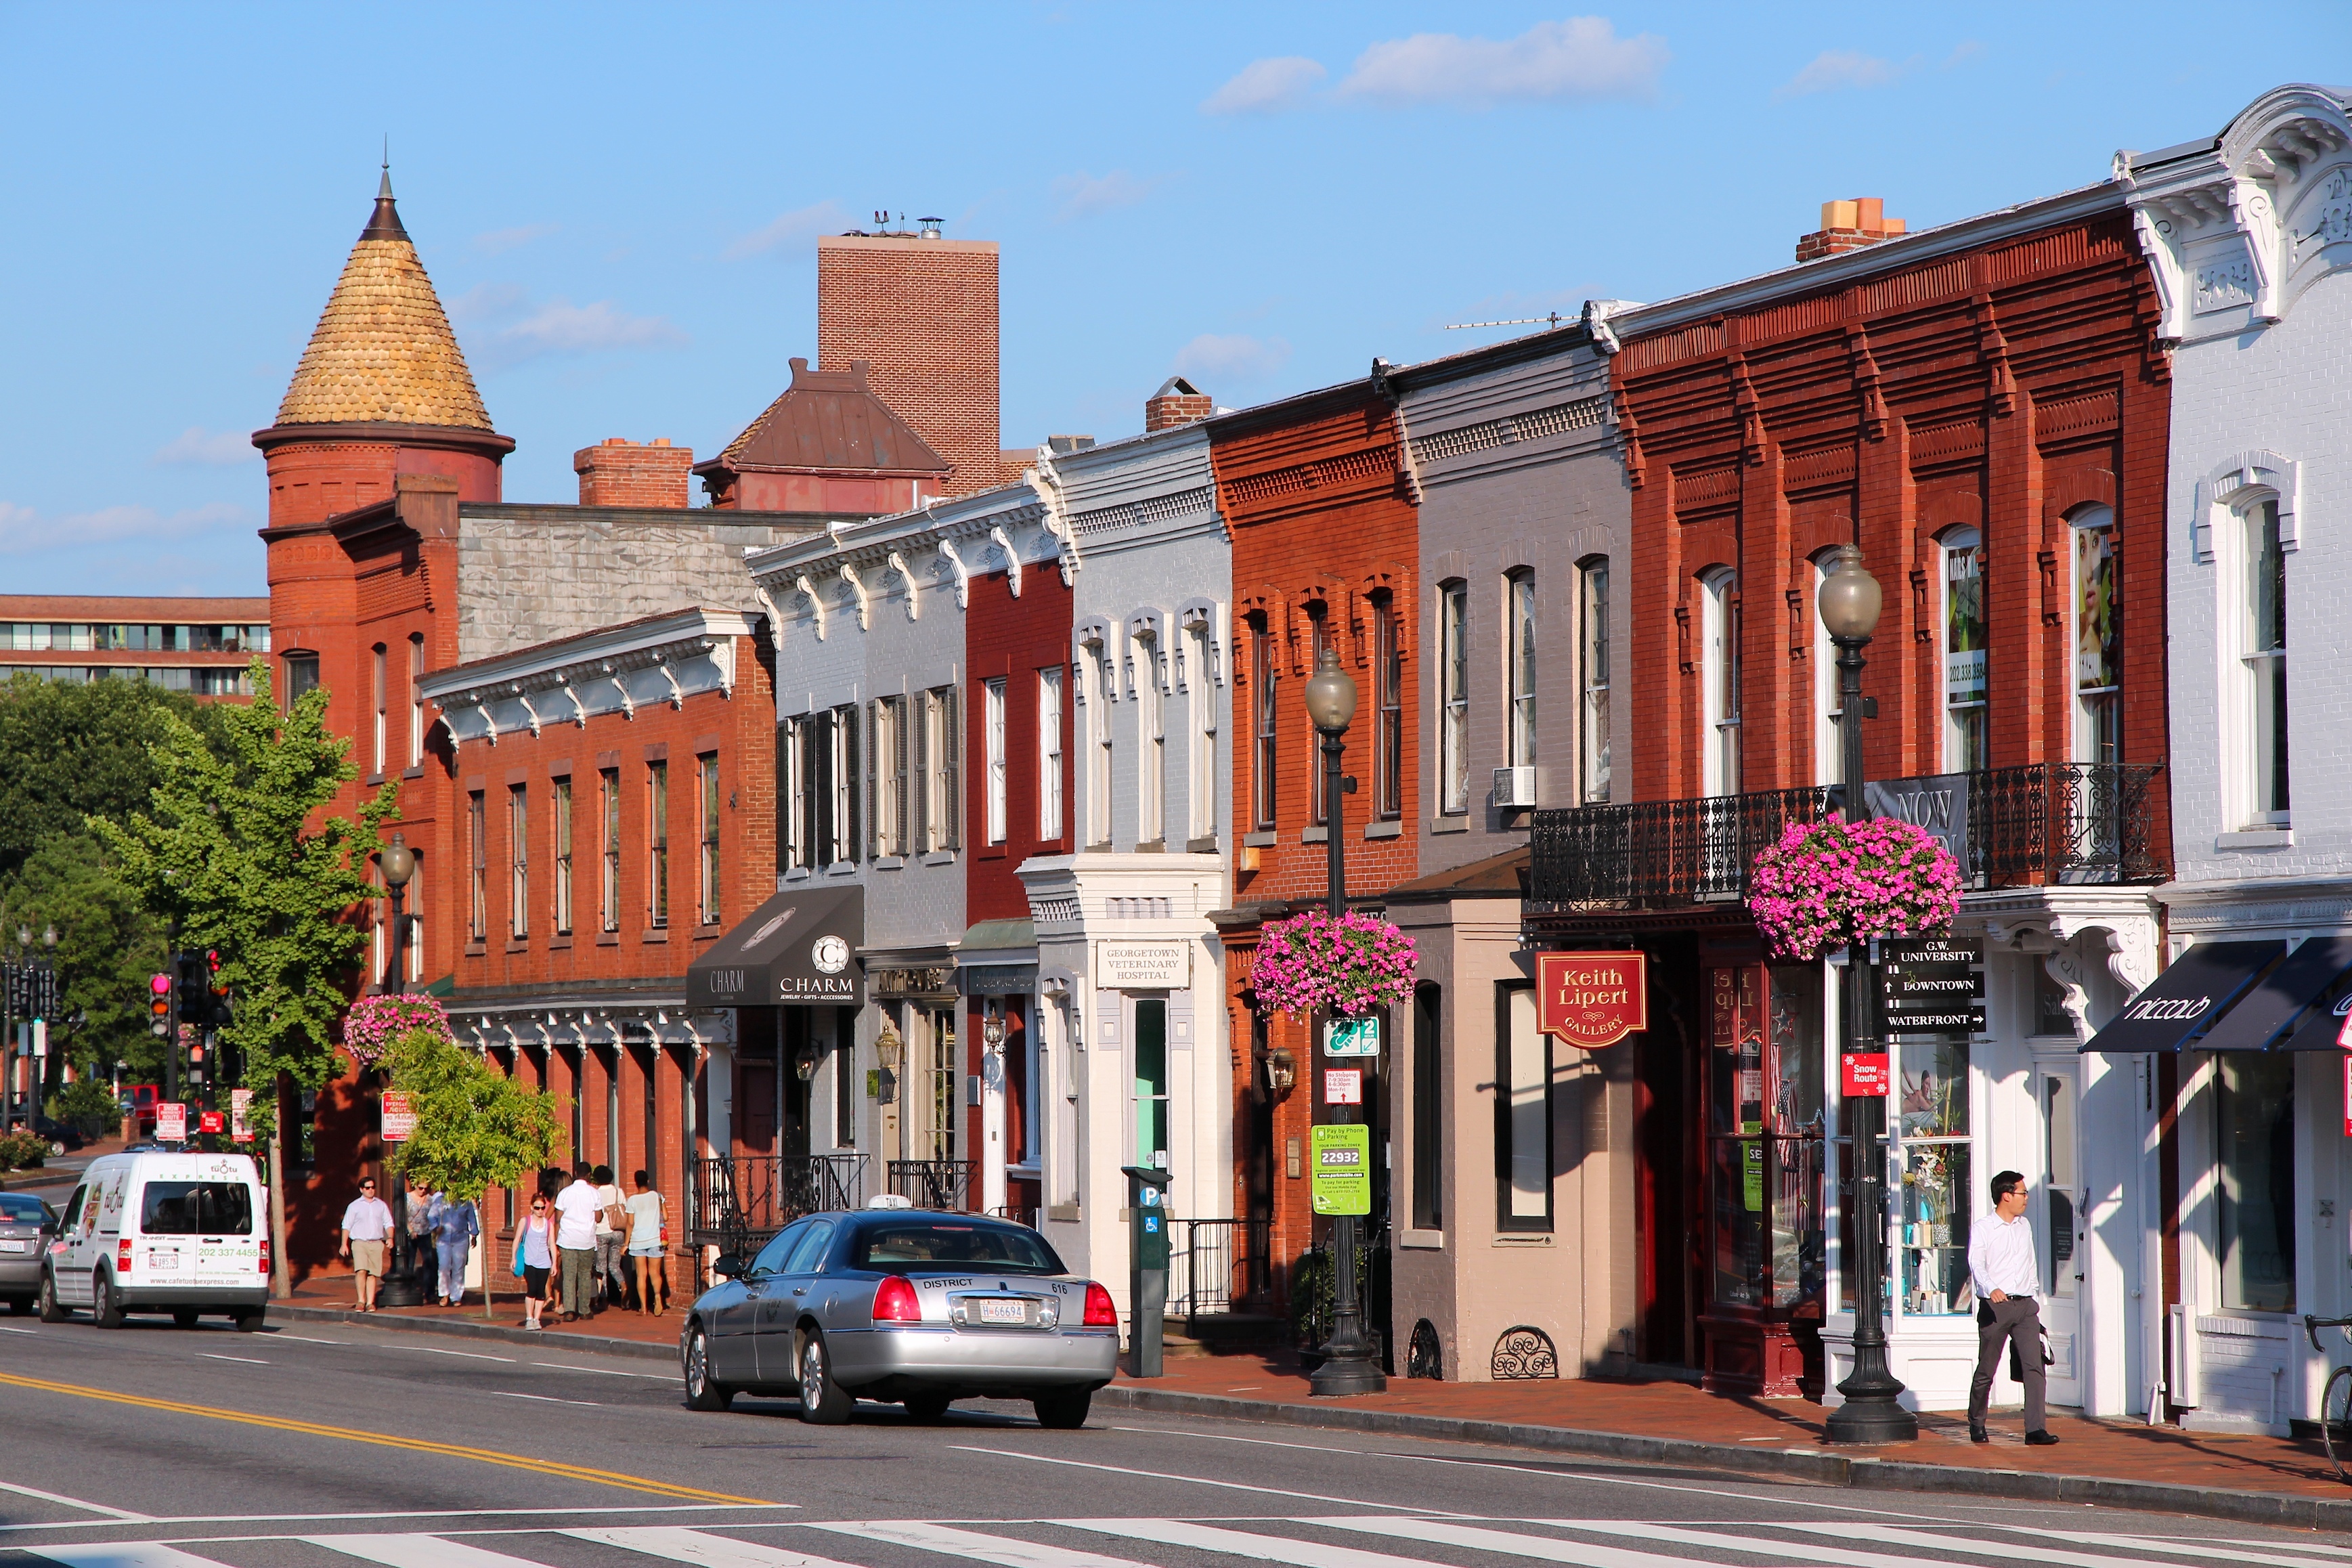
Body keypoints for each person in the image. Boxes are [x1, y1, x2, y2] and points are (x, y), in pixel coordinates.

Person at [1967, 1169, 2058, 1447]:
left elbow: (2030, 1263)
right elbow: (1976, 1263)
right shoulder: (1984, 1228)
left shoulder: (2024, 1226)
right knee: (1987, 1369)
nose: (2026, 1198)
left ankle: (2035, 1429)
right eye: (2022, 1193)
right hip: (1997, 1306)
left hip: (2025, 1306)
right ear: (2006, 1196)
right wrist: (1990, 1287)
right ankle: (1976, 1421)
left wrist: (2034, 1296)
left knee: (2034, 1367)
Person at [551, 1160, 601, 1323]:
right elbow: (598, 1217)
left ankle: (569, 1310)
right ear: (589, 1175)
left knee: (569, 1275)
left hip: (567, 1238)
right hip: (587, 1239)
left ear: (575, 1173)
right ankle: (584, 1310)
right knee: (585, 1274)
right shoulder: (594, 1193)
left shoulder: (565, 1193)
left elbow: (558, 1218)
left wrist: (556, 1241)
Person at [338, 1177, 393, 1312]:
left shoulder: (381, 1205)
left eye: (373, 1187)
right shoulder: (354, 1206)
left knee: (373, 1274)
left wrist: (390, 1237)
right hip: (360, 1242)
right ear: (361, 1189)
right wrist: (344, 1244)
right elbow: (346, 1226)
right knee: (361, 1270)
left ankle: (370, 1302)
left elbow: (388, 1223)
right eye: (368, 1188)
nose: (371, 1190)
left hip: (376, 1242)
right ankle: (361, 1301)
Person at [624, 1169, 668, 1317]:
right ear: (648, 1181)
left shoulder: (632, 1200)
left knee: (641, 1275)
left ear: (636, 1182)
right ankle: (657, 1296)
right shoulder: (657, 1196)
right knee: (655, 1273)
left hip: (638, 1241)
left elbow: (630, 1223)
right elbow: (666, 1217)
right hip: (655, 1239)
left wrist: (626, 1243)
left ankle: (643, 1308)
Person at [427, 1190, 478, 1307]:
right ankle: (444, 1294)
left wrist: (474, 1235)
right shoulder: (440, 1201)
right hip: (443, 1239)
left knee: (459, 1266)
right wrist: (436, 1228)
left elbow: (472, 1218)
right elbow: (431, 1216)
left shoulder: (465, 1201)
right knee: (444, 1266)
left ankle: (456, 1296)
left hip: (460, 1238)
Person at [515, 1192, 557, 1330]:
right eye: (537, 1208)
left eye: (542, 1208)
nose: (540, 1211)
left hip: (544, 1261)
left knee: (540, 1291)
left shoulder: (548, 1225)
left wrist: (554, 1263)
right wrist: (513, 1257)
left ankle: (537, 1319)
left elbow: (552, 1244)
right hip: (529, 1260)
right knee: (532, 1288)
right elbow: (517, 1239)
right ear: (532, 1207)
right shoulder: (525, 1221)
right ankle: (529, 1317)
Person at [592, 1163, 627, 1310]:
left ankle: (603, 1298)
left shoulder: (595, 1193)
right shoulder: (619, 1192)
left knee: (601, 1267)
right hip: (618, 1231)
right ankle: (623, 1284)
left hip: (601, 1232)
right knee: (614, 1265)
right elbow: (625, 1209)